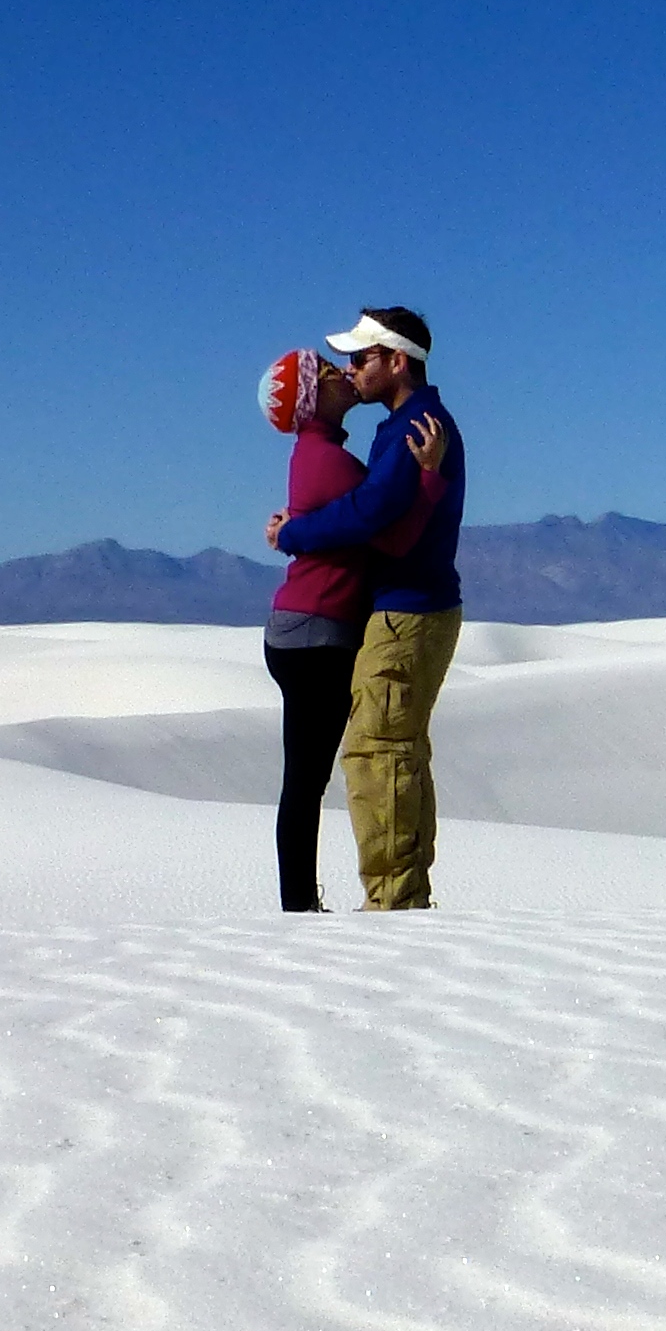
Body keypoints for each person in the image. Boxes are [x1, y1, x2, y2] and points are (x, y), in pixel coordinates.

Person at [265, 306, 462, 910]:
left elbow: (371, 518)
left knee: (379, 752)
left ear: (396, 361)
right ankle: (398, 897)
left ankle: (394, 903)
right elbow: (367, 513)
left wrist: (294, 533)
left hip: (405, 608)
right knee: (387, 751)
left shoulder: (415, 428)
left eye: (359, 357)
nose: (349, 368)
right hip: (393, 607)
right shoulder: (401, 428)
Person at [256, 348, 370, 912]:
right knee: (305, 781)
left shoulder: (314, 456)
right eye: (327, 370)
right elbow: (383, 513)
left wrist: (293, 528)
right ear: (311, 398)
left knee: (304, 779)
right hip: (316, 634)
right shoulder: (329, 461)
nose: (342, 371)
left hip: (303, 630)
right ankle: (298, 907)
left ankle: (299, 902)